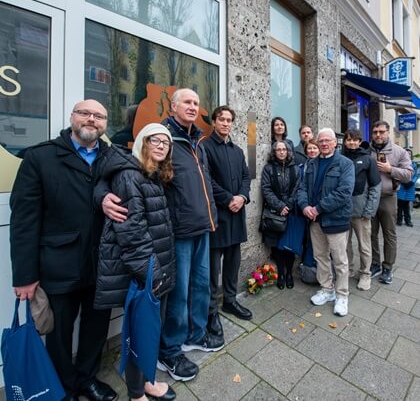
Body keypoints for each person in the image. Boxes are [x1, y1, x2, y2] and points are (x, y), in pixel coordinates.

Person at [101, 89, 221, 382]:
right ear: (173, 106)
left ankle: (195, 334)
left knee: (201, 286)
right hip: (177, 230)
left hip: (203, 227)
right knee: (177, 294)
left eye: (196, 102)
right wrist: (101, 195)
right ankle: (170, 350)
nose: (193, 107)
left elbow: (203, 181)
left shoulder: (197, 141)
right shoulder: (162, 137)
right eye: (188, 102)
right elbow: (129, 172)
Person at [10, 100, 117, 401]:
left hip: (102, 264)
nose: (92, 119)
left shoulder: (112, 158)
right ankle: (64, 388)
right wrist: (25, 275)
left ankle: (87, 379)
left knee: (96, 328)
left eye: (99, 116)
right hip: (59, 264)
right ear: (72, 117)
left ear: (105, 124)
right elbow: (24, 221)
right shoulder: (41, 157)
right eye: (85, 113)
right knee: (58, 335)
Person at [95, 124, 176, 401]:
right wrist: (150, 274)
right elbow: (132, 233)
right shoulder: (130, 176)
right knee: (139, 334)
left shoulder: (151, 176)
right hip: (146, 272)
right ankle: (136, 393)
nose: (162, 146)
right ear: (142, 142)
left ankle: (147, 382)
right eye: (156, 140)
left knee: (150, 332)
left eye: (166, 143)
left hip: (158, 269)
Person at [203, 105, 252, 338]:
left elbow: (245, 176)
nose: (225, 123)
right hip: (217, 217)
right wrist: (229, 199)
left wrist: (242, 197)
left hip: (237, 215)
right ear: (214, 122)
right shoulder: (205, 147)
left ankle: (230, 301)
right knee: (213, 270)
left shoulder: (237, 150)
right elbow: (207, 181)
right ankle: (211, 312)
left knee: (233, 263)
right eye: (221, 119)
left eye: (229, 120)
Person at [297, 128, 354, 317]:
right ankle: (327, 290)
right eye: (320, 140)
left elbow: (344, 192)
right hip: (315, 221)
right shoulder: (311, 164)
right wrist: (305, 206)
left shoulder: (345, 164)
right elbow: (303, 187)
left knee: (340, 260)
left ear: (335, 143)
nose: (323, 144)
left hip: (335, 220)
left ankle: (342, 295)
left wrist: (318, 208)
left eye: (327, 140)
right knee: (321, 257)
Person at [369, 121, 413, 284]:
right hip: (370, 198)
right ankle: (374, 264)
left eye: (381, 131)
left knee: (389, 234)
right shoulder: (367, 150)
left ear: (388, 133)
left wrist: (390, 169)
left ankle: (387, 267)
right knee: (370, 234)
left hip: (388, 197)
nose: (378, 135)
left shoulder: (399, 152)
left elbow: (408, 174)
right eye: (375, 132)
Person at [342, 129, 381, 291]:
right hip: (342, 211)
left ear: (359, 141)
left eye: (354, 140)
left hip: (361, 212)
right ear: (344, 141)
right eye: (348, 139)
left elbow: (375, 187)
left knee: (364, 246)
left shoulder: (368, 159)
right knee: (344, 245)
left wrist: (369, 211)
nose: (351, 142)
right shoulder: (340, 158)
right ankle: (348, 270)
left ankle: (365, 274)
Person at [261, 140, 301, 289]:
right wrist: (279, 206)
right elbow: (266, 189)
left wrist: (288, 205)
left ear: (288, 151)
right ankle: (281, 274)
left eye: (284, 149)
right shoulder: (268, 168)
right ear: (274, 152)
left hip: (290, 212)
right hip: (274, 212)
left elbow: (298, 188)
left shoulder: (296, 169)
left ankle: (289, 273)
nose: (282, 152)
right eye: (278, 150)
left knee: (289, 245)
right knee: (277, 246)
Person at [298, 139, 320, 285]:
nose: (312, 151)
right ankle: (307, 269)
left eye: (314, 148)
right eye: (309, 148)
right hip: (304, 208)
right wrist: (304, 206)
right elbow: (301, 187)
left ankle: (319, 269)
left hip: (318, 210)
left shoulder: (322, 166)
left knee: (318, 242)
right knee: (306, 239)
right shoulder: (301, 167)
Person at [397, 148, 418, 227]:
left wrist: (411, 182)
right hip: (402, 186)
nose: (408, 154)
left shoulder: (414, 164)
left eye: (409, 153)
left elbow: (416, 175)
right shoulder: (399, 164)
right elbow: (398, 173)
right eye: (406, 153)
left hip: (410, 186)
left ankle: (408, 220)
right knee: (400, 204)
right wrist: (403, 181)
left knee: (407, 204)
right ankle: (399, 220)